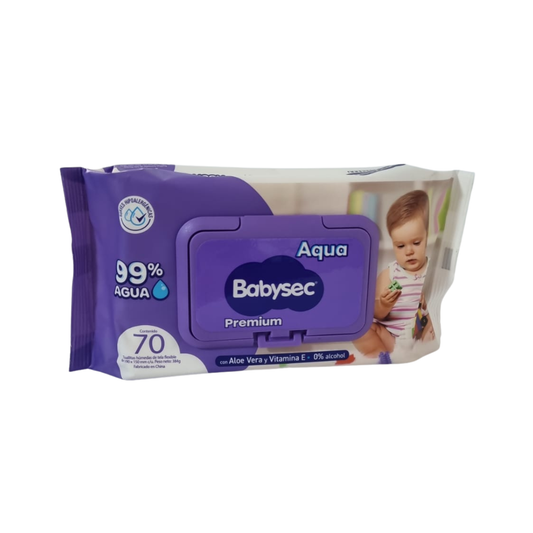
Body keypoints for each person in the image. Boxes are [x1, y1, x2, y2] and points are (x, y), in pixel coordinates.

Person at [354, 190, 435, 359]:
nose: (409, 251)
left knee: (432, 325)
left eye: (416, 242)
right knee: (361, 328)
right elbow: (374, 313)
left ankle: (419, 349)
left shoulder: (432, 271)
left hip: (418, 336)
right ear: (393, 243)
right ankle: (380, 356)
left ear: (427, 237)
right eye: (400, 246)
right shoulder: (390, 273)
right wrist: (384, 304)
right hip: (389, 338)